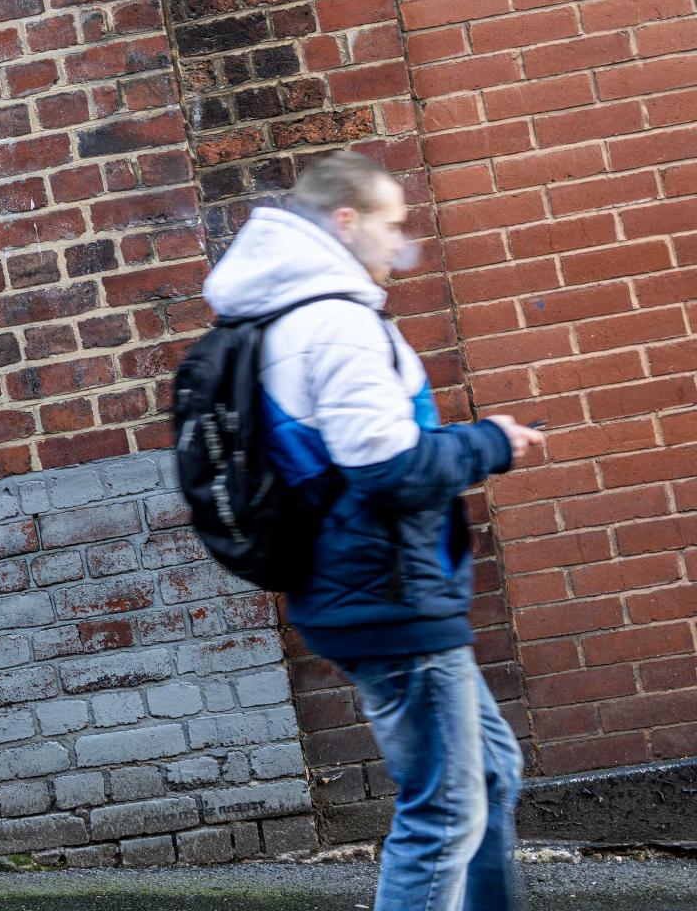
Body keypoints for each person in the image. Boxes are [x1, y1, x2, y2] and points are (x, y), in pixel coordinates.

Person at [202, 150, 545, 911]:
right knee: (446, 811)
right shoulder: (334, 323)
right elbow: (386, 468)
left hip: (363, 586)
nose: (401, 244)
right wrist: (490, 442)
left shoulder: (279, 314)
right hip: (388, 591)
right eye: (392, 225)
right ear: (346, 221)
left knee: (489, 773)